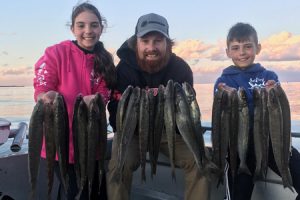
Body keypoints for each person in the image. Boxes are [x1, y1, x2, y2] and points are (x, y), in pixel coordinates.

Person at [106, 13, 210, 200]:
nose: (151, 47)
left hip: (168, 132)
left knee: (201, 161)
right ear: (135, 42)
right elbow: (115, 115)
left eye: (158, 41)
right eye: (145, 41)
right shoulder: (123, 70)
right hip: (133, 132)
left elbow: (188, 115)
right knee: (118, 166)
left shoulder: (181, 69)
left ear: (168, 43)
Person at [33, 2, 116, 199]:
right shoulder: (55, 53)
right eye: (81, 25)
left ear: (101, 28)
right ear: (72, 28)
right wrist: (45, 96)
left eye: (94, 25)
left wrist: (96, 99)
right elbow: (42, 83)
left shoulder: (104, 60)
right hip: (60, 144)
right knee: (73, 192)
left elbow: (106, 92)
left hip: (92, 142)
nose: (88, 31)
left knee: (97, 192)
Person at [214, 22, 300, 200]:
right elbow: (219, 116)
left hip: (272, 142)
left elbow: (280, 109)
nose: (242, 52)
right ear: (228, 52)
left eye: (247, 46)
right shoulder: (223, 81)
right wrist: (223, 98)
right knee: (239, 193)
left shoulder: (269, 76)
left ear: (257, 48)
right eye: (235, 48)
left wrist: (274, 93)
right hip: (239, 148)